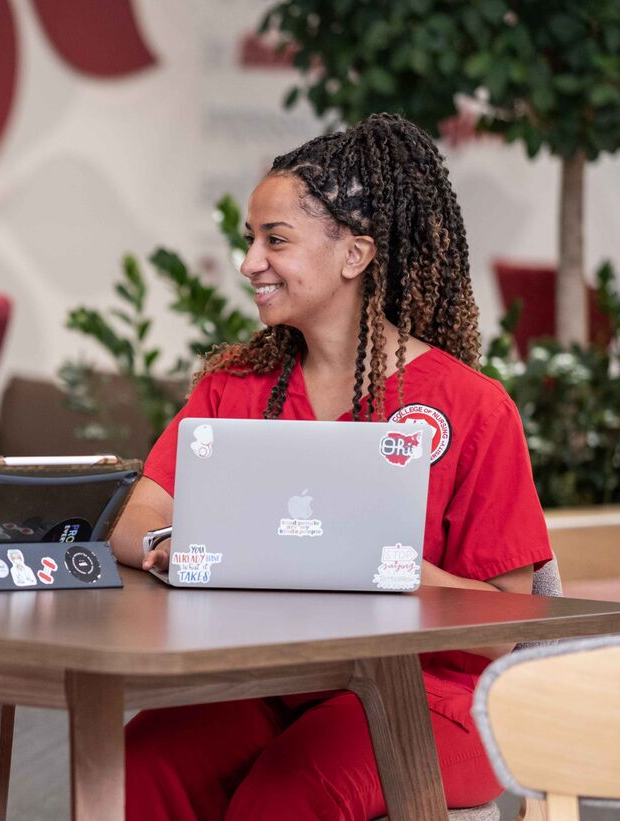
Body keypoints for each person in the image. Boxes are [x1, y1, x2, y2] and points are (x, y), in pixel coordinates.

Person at [108, 114, 553, 820]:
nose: (250, 261)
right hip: (274, 681)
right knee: (133, 768)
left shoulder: (474, 408)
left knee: (286, 796)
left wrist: (377, 564)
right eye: (249, 240)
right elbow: (135, 512)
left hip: (435, 697)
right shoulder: (236, 386)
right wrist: (168, 545)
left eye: (274, 240)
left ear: (355, 254)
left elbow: (504, 621)